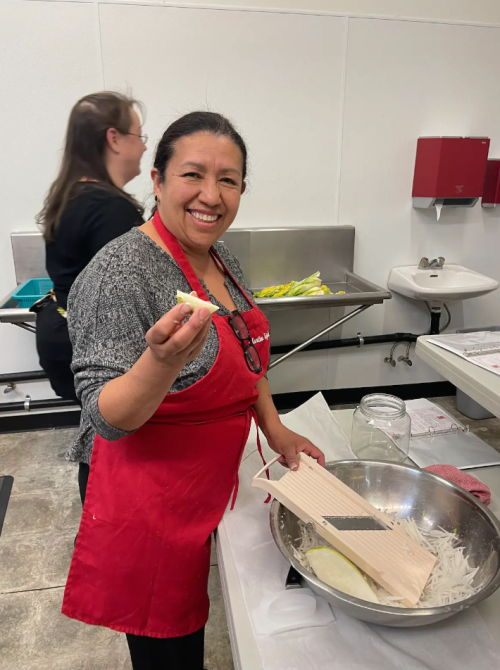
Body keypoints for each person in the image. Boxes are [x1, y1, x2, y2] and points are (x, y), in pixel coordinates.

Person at [61, 111, 324, 670]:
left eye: (228, 179)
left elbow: (248, 356)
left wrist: (275, 427)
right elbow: (106, 415)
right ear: (156, 181)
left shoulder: (221, 259)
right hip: (146, 491)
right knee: (169, 645)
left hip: (206, 477)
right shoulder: (119, 272)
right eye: (193, 175)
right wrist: (158, 362)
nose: (211, 194)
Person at [35, 90, 146, 415]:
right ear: (114, 138)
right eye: (139, 136)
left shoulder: (73, 195)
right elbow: (124, 303)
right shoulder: (109, 209)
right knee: (108, 446)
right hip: (99, 355)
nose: (143, 147)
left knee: (98, 441)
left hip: (65, 339)